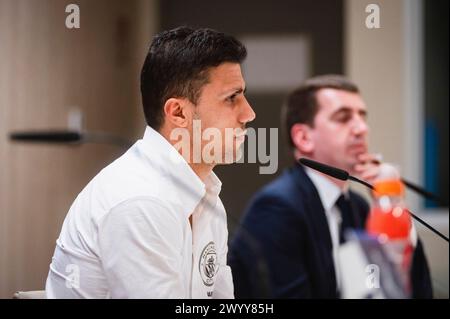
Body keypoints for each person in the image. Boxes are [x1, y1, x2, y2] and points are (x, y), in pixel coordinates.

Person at [45, 26, 255, 298]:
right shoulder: (140, 200)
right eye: (232, 98)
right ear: (178, 112)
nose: (248, 113)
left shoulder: (206, 195)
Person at [229, 75, 432, 298]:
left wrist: (392, 202)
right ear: (304, 137)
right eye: (343, 118)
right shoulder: (277, 207)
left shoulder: (358, 207)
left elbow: (397, 291)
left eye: (362, 117)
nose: (361, 128)